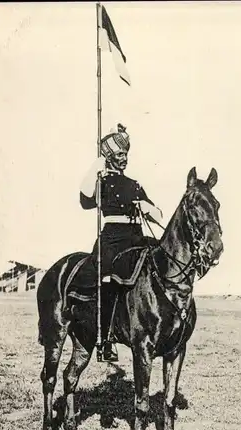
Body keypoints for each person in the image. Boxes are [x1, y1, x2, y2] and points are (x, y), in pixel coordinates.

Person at [80, 124, 163, 361]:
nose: (124, 159)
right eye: (119, 155)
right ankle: (106, 338)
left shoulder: (135, 184)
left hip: (137, 237)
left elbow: (158, 215)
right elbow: (85, 200)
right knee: (107, 279)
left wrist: (148, 208)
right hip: (113, 240)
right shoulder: (102, 182)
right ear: (109, 158)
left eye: (125, 154)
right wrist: (95, 167)